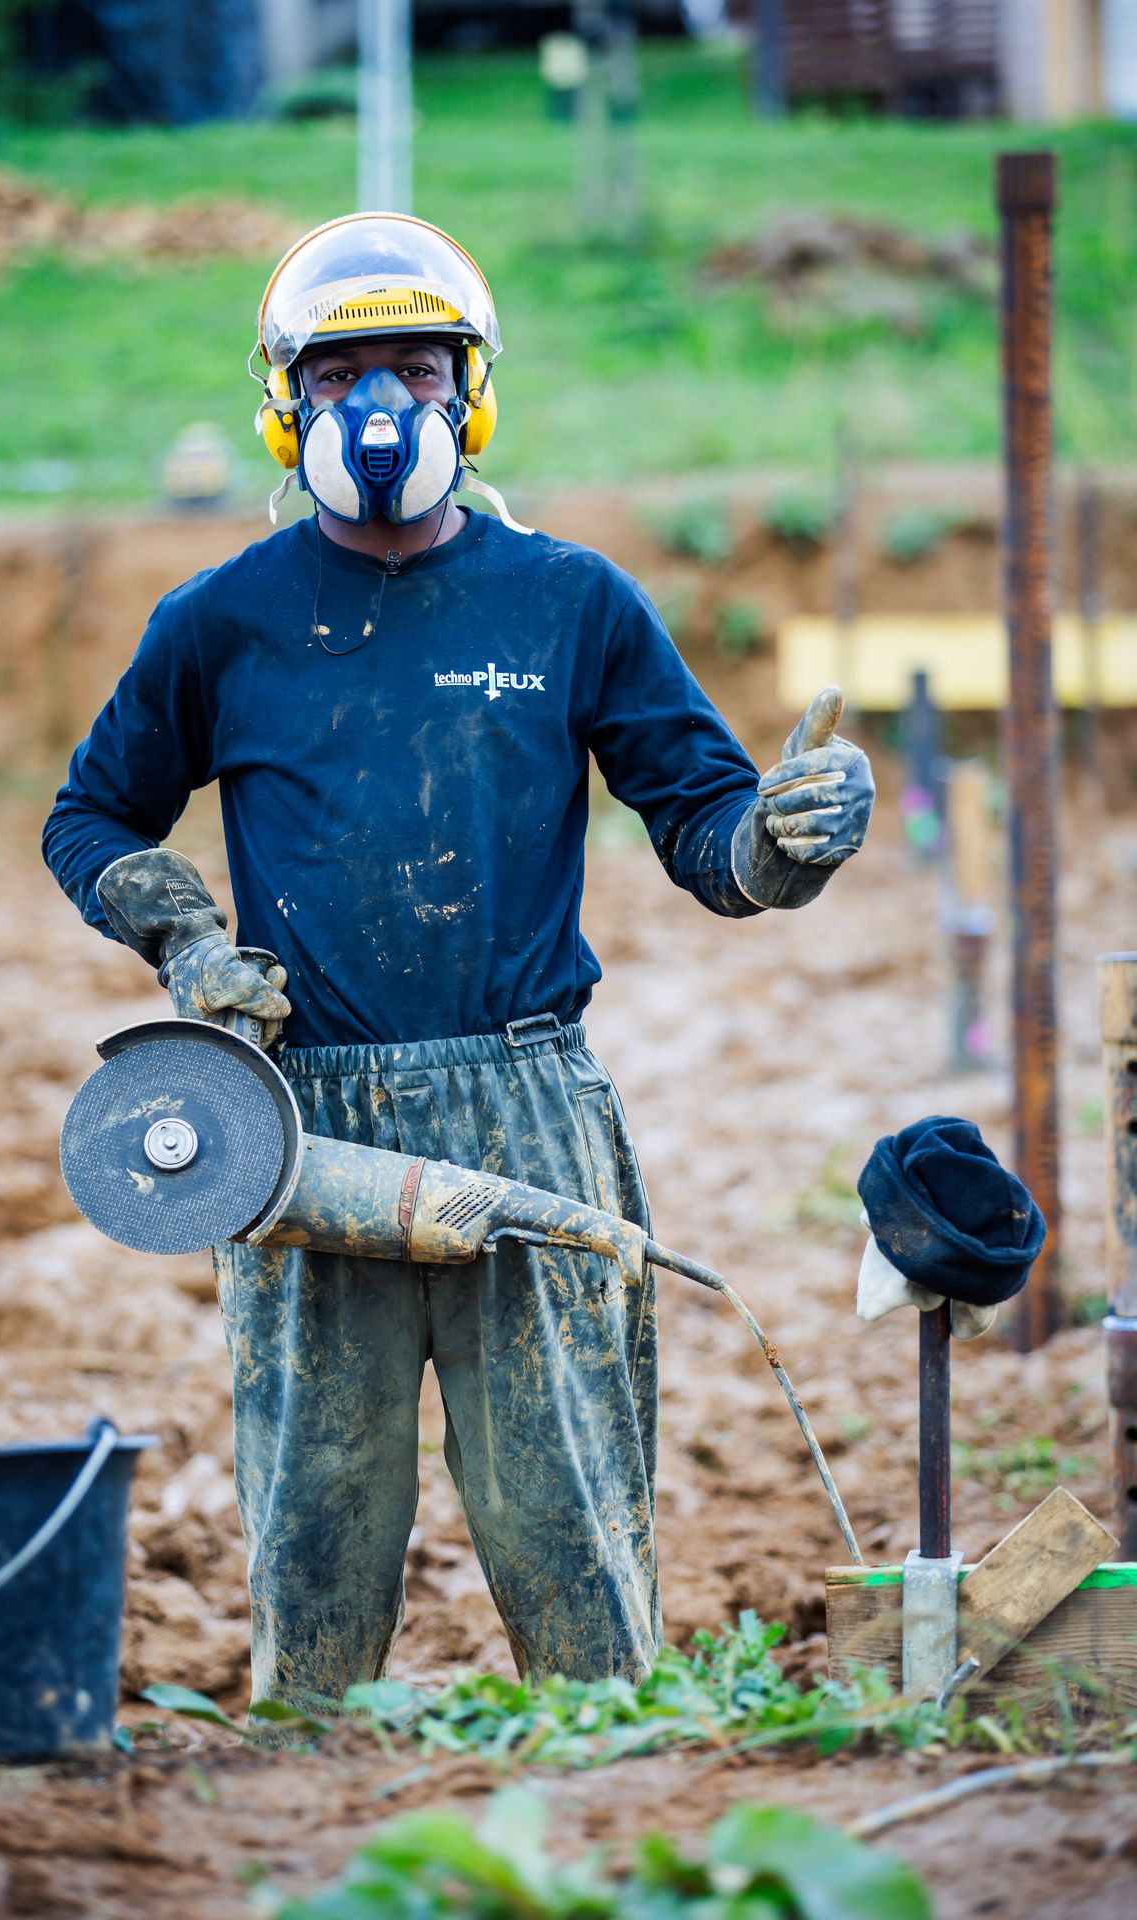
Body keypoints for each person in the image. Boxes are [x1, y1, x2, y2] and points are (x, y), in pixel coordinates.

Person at [43, 212, 874, 1706]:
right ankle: (308, 1778)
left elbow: (708, 830)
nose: (380, 412)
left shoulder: (571, 602)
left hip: (526, 1109)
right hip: (304, 1132)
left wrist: (781, 840)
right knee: (315, 1544)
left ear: (470, 395)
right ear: (286, 407)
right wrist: (180, 934)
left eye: (417, 373)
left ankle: (608, 1765)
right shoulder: (221, 624)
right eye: (339, 378)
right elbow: (89, 815)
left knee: (575, 1548)